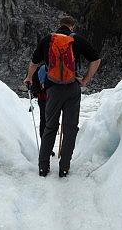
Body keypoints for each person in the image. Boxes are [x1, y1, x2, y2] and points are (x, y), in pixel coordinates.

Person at [24, 16, 101, 177]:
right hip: (72, 88)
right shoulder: (77, 39)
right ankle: (64, 168)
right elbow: (96, 59)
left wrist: (29, 77)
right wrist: (85, 79)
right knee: (70, 129)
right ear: (72, 27)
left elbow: (34, 62)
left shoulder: (48, 40)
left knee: (50, 127)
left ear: (59, 26)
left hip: (52, 90)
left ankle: (43, 168)